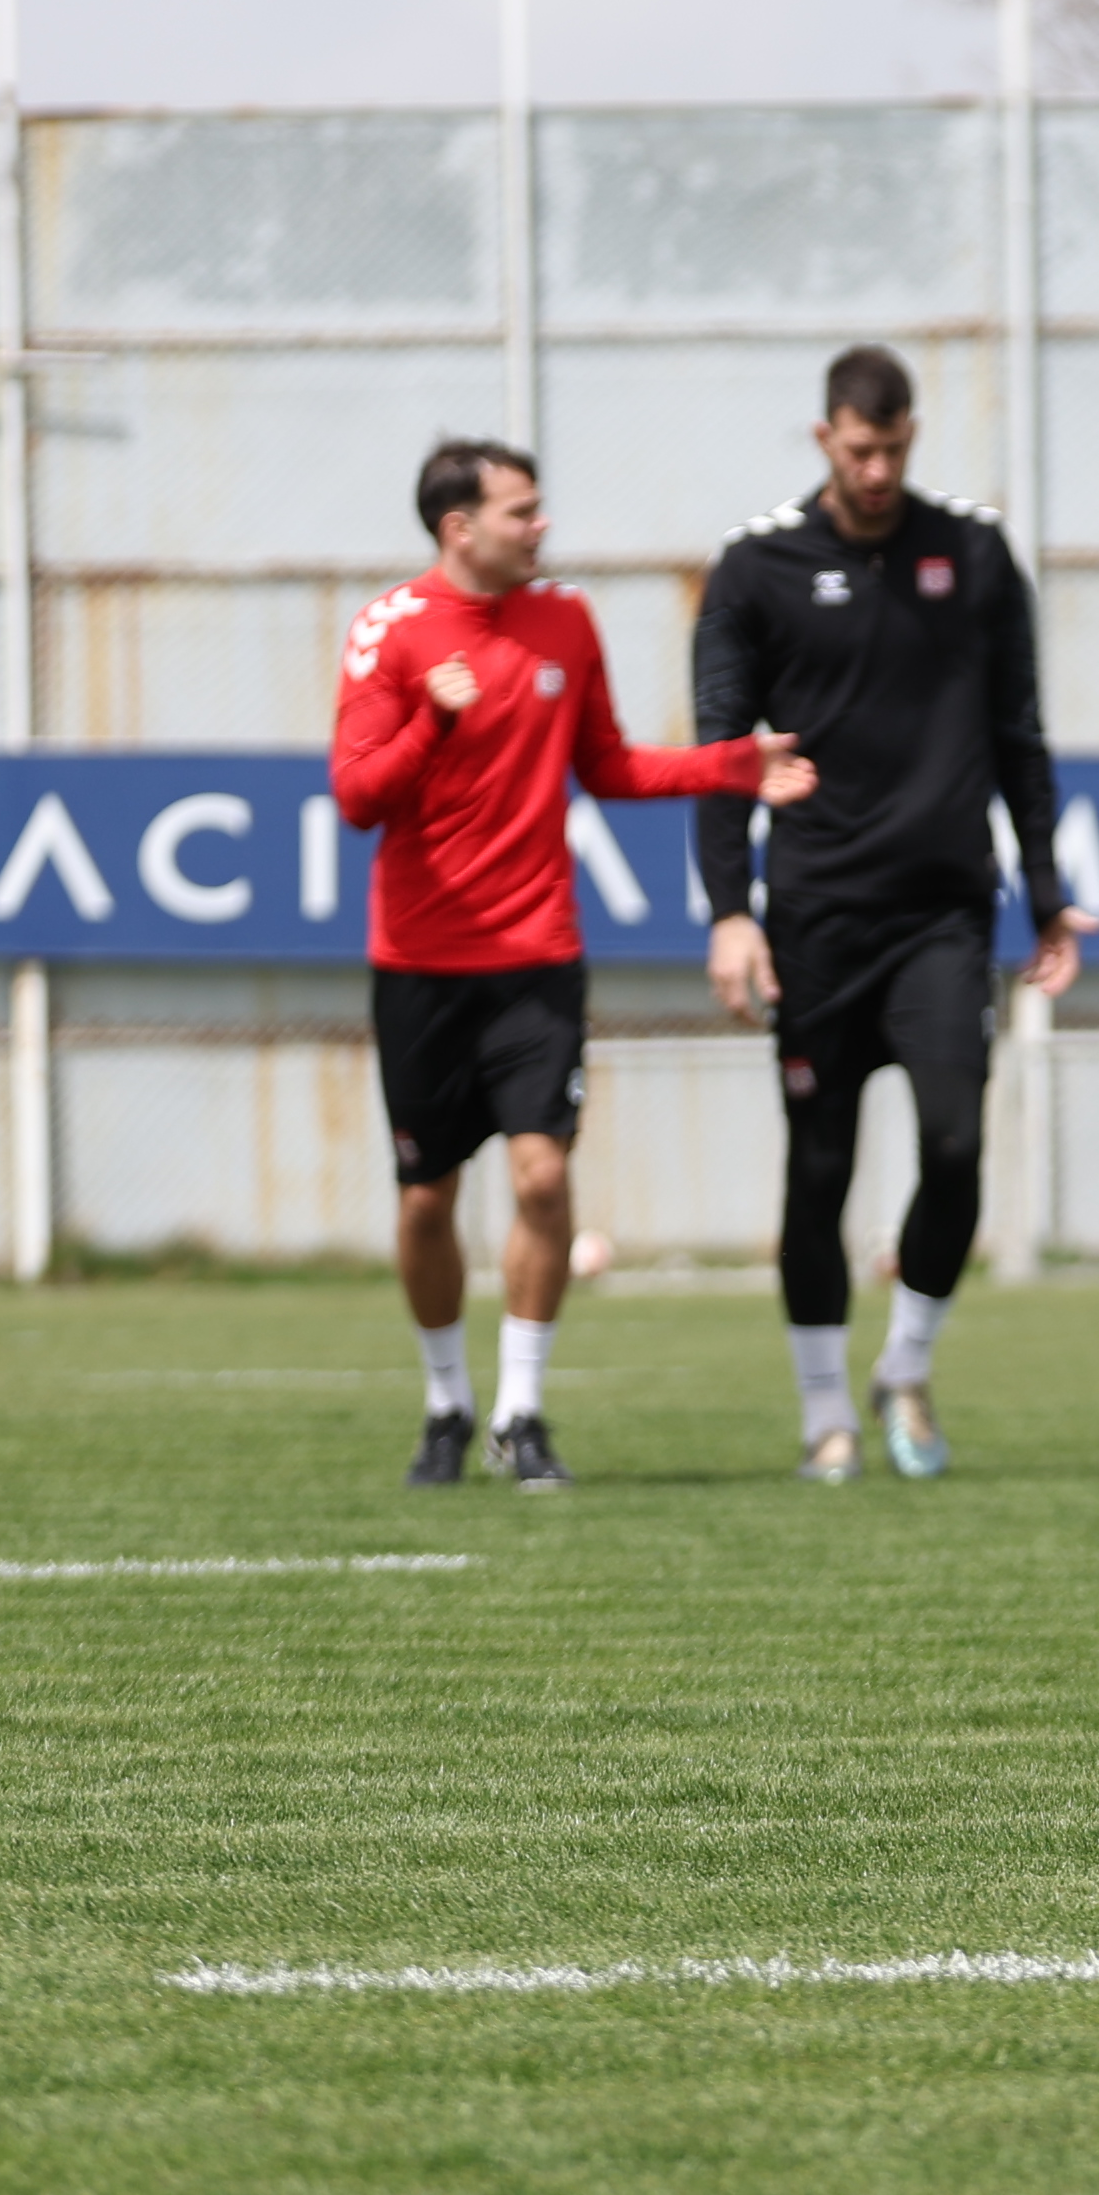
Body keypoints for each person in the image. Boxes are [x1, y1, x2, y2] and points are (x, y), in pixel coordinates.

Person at [335, 438, 816, 1490]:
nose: (539, 527)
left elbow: (609, 766)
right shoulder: (389, 633)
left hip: (537, 956)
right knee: (426, 1197)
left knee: (544, 1178)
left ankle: (521, 1410)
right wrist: (430, 718)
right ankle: (445, 1401)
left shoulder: (566, 620)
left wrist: (735, 763)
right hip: (419, 961)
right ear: (459, 528)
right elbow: (358, 794)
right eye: (521, 512)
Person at [694, 346, 1098, 1483]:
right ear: (824, 438)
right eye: (858, 448)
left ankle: (905, 1368)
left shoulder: (970, 554)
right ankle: (827, 1411)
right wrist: (733, 913)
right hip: (816, 920)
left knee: (958, 1144)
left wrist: (1048, 901)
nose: (877, 468)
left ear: (912, 435)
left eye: (895, 446)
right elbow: (724, 759)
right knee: (818, 1171)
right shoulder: (756, 568)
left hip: (942, 918)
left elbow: (1020, 736)